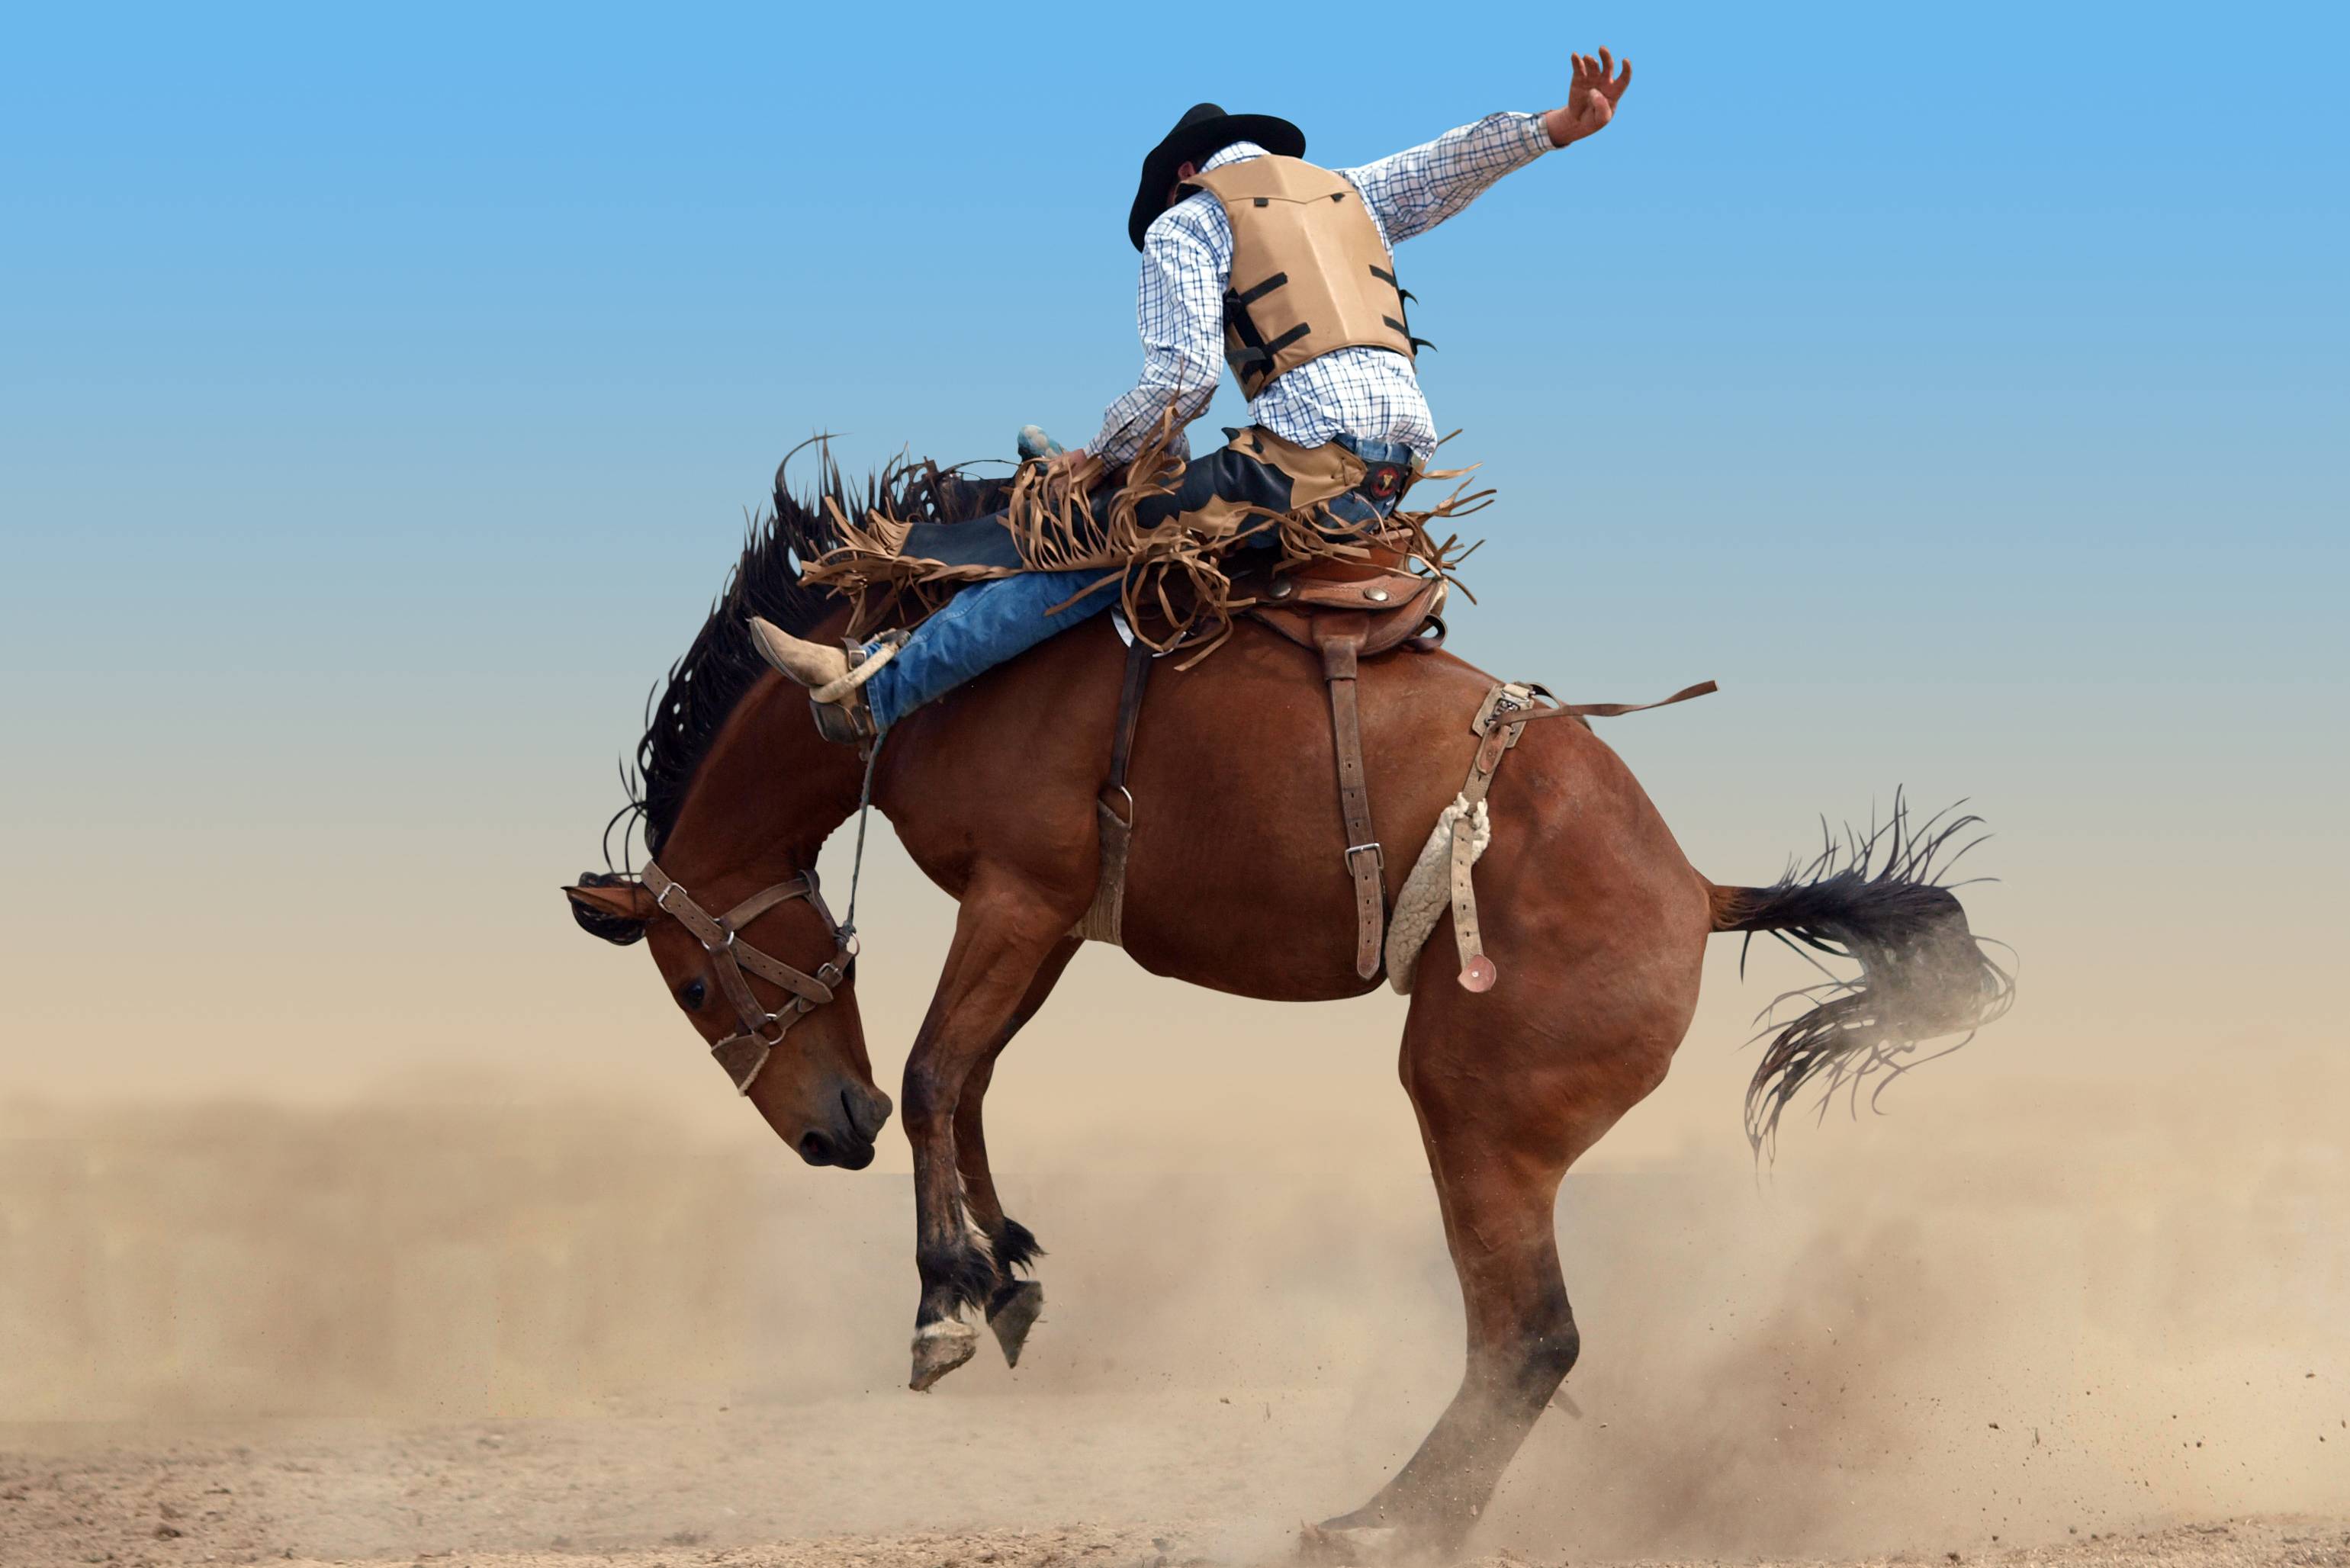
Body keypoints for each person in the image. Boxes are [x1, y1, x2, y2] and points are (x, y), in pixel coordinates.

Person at [754, 53, 1634, 744]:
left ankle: (874, 689)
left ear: (1182, 173)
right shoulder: (1344, 194)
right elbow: (1445, 166)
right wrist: (1558, 126)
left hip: (1305, 468)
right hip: (1396, 469)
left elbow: (1181, 384)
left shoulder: (1190, 221)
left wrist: (1092, 461)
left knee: (1089, 538)